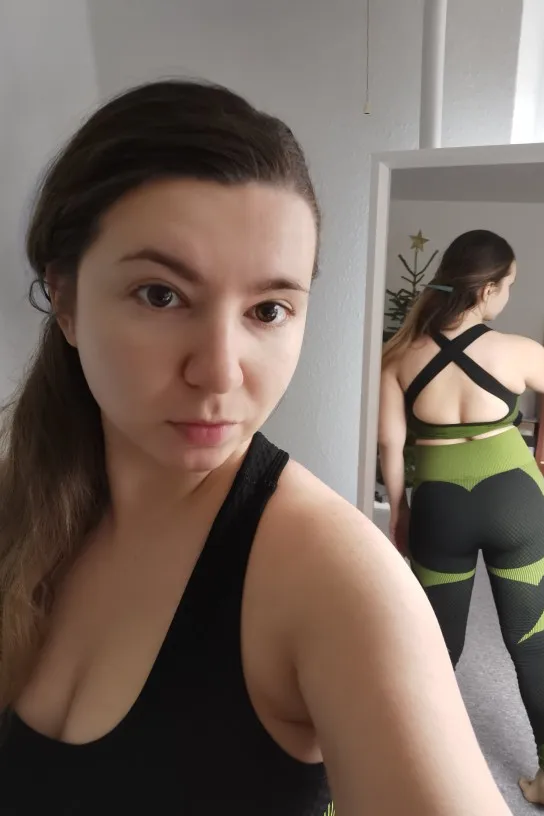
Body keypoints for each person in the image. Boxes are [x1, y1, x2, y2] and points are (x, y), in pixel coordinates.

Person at [0, 81, 511, 815]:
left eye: (269, 310)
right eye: (161, 295)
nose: (220, 371)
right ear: (66, 299)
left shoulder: (338, 582)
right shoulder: (17, 506)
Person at [378, 229, 544, 810]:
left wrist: (400, 512)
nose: (507, 296)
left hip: (439, 510)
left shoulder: (399, 355)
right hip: (517, 504)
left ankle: (414, 768)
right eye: (508, 286)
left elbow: (389, 448)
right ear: (486, 290)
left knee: (437, 647)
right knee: (532, 644)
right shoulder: (514, 349)